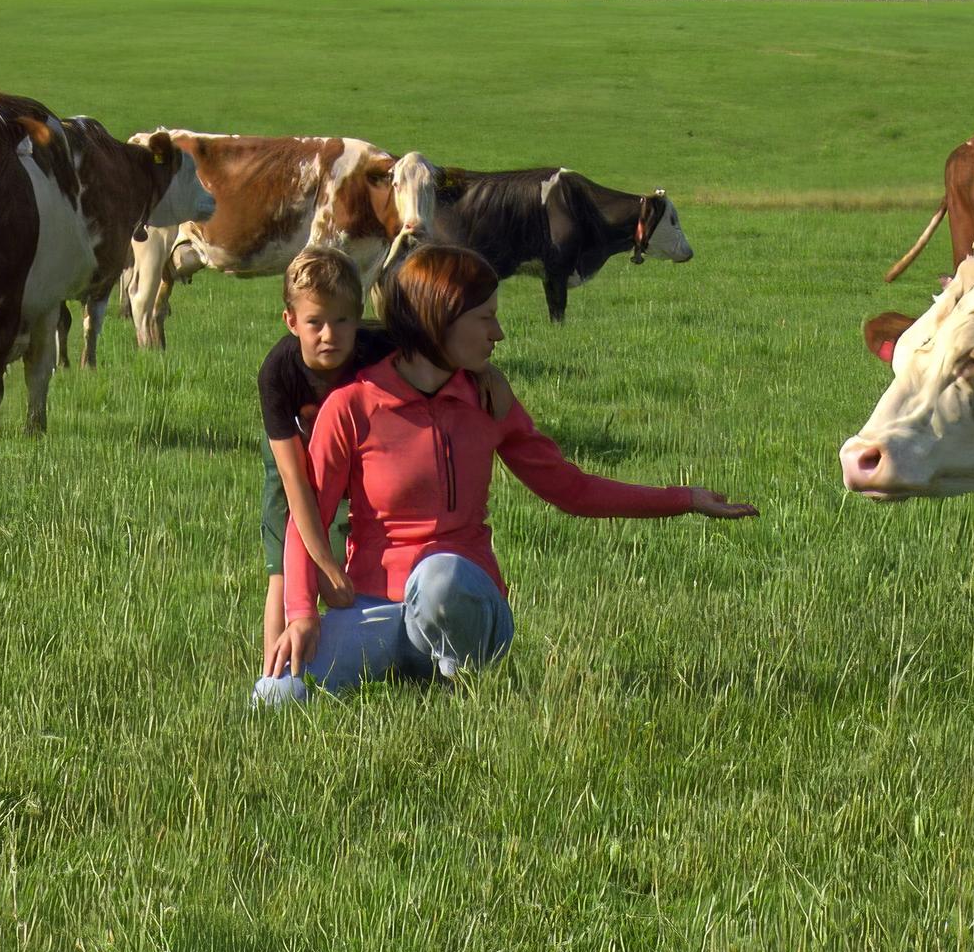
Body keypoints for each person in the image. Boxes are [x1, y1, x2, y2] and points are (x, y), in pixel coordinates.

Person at [254, 245, 756, 704]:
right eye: (487, 318)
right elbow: (306, 519)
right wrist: (300, 615)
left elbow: (572, 489)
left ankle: (460, 682)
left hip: (464, 607)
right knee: (276, 695)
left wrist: (683, 498)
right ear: (441, 320)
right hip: (372, 608)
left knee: (438, 576)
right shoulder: (350, 406)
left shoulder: (488, 401)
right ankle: (413, 670)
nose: (499, 333)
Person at [255, 246, 513, 682]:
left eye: (341, 321)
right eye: (314, 322)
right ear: (291, 321)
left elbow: (441, 351)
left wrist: (486, 374)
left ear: (357, 318)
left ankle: (397, 640)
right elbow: (298, 486)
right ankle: (277, 665)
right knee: (283, 560)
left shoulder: (379, 344)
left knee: (342, 531)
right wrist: (325, 567)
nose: (329, 334)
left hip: (353, 454)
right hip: (293, 462)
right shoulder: (278, 372)